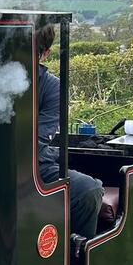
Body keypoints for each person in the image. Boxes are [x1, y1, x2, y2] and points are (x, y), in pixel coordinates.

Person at [36, 24, 104, 240]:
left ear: (45, 54)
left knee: (88, 190)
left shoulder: (51, 87)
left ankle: (73, 259)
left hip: (33, 164)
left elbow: (36, 140)